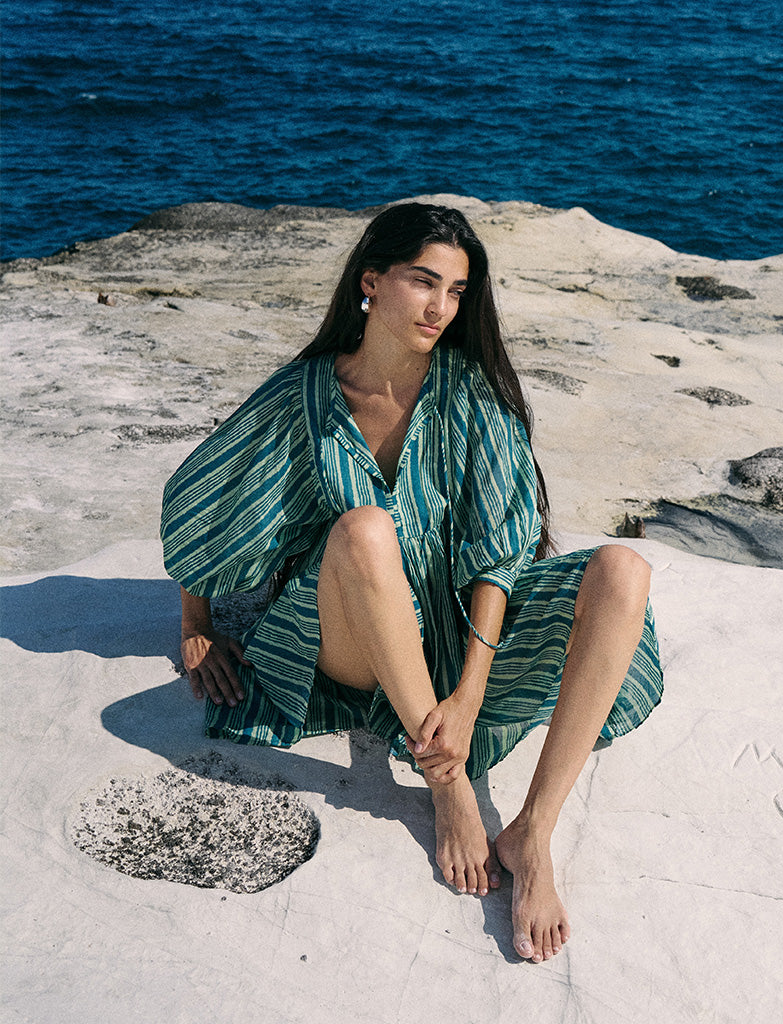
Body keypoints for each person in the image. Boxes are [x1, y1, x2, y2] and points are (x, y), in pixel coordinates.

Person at [161, 201, 662, 965]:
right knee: (364, 530)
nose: (440, 307)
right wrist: (197, 616)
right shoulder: (303, 396)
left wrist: (467, 694)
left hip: (459, 633)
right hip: (354, 641)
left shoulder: (469, 391)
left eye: (457, 291)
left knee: (623, 569)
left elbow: (501, 553)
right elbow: (208, 496)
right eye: (422, 282)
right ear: (371, 281)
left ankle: (533, 829)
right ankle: (448, 787)